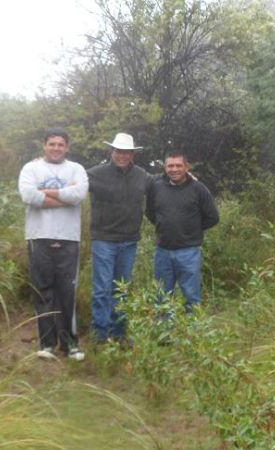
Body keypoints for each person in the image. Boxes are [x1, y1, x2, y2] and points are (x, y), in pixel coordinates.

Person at [18, 127, 89, 361]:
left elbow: (78, 195)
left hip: (68, 238)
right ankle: (47, 343)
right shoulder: (31, 168)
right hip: (38, 236)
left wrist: (45, 193)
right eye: (52, 144)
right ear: (44, 146)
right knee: (43, 291)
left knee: (67, 292)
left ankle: (70, 345)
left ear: (67, 147)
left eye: (61, 144)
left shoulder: (76, 169)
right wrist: (62, 197)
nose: (56, 148)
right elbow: (28, 195)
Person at [87, 132, 150, 343]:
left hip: (129, 241)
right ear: (111, 152)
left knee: (121, 289)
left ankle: (119, 334)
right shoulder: (95, 173)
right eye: (118, 151)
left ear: (132, 154)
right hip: (103, 239)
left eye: (126, 152)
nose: (122, 155)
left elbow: (163, 185)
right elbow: (71, 177)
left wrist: (189, 178)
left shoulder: (142, 176)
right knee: (102, 289)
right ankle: (100, 335)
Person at [145, 151, 219, 310]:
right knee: (161, 295)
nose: (174, 169)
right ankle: (163, 331)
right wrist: (163, 226)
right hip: (162, 251)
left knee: (190, 295)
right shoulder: (156, 188)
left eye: (178, 165)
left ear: (187, 167)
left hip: (189, 251)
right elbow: (150, 212)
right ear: (165, 168)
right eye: (170, 165)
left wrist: (191, 229)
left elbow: (213, 217)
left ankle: (191, 333)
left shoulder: (198, 189)